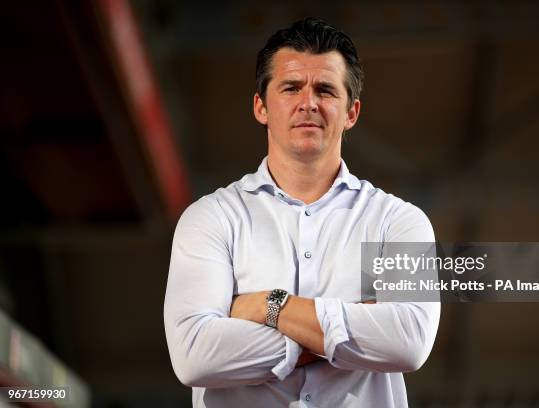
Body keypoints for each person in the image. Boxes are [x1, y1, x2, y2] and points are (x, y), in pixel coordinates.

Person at [164, 17, 440, 408]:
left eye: (326, 90)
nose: (308, 102)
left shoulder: (400, 222)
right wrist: (348, 331)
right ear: (261, 106)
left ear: (351, 112)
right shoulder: (210, 218)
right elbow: (194, 355)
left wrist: (268, 306)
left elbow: (408, 341)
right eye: (291, 87)